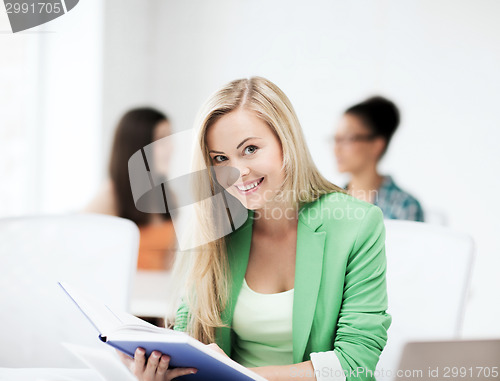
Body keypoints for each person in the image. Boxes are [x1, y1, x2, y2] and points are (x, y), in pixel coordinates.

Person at [119, 77, 391, 381]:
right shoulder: (217, 224)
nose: (237, 171)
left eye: (250, 149)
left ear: (285, 142)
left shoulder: (355, 223)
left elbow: (356, 363)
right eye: (220, 158)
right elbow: (190, 336)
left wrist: (233, 375)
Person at [85, 107, 177, 271]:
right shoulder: (109, 197)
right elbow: (82, 256)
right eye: (161, 139)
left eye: (170, 138)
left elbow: (169, 264)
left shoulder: (169, 197)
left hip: (157, 293)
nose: (171, 148)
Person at [333, 96, 425, 222]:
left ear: (376, 145)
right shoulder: (329, 203)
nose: (336, 149)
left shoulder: (404, 206)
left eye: (348, 139)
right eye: (336, 139)